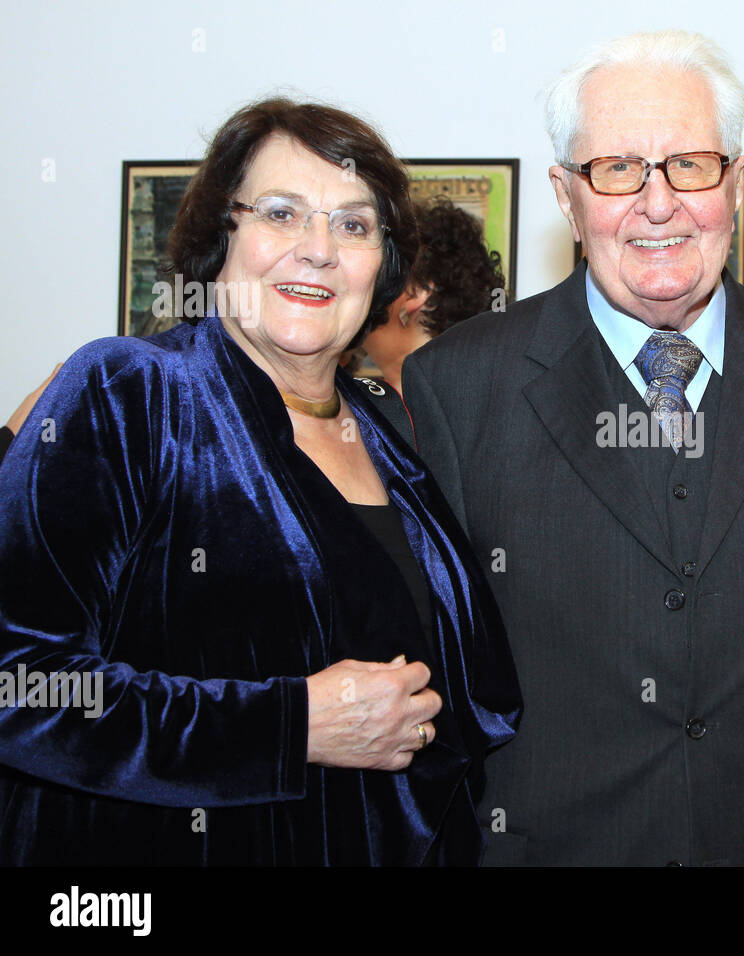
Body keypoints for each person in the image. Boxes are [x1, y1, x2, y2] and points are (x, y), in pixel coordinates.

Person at [402, 30, 744, 865]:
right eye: (619, 168)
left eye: (690, 165)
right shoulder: (456, 385)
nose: (657, 204)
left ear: (736, 182)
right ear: (565, 193)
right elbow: (436, 666)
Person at [0, 98, 521, 865]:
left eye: (353, 225)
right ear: (222, 234)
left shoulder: (393, 433)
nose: (317, 250)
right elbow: (18, 685)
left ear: (385, 267)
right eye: (282, 213)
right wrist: (289, 725)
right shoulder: (129, 392)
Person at [347, 198, 506, 448]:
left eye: (381, 274)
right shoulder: (367, 406)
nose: (359, 287)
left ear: (416, 290)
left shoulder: (475, 414)